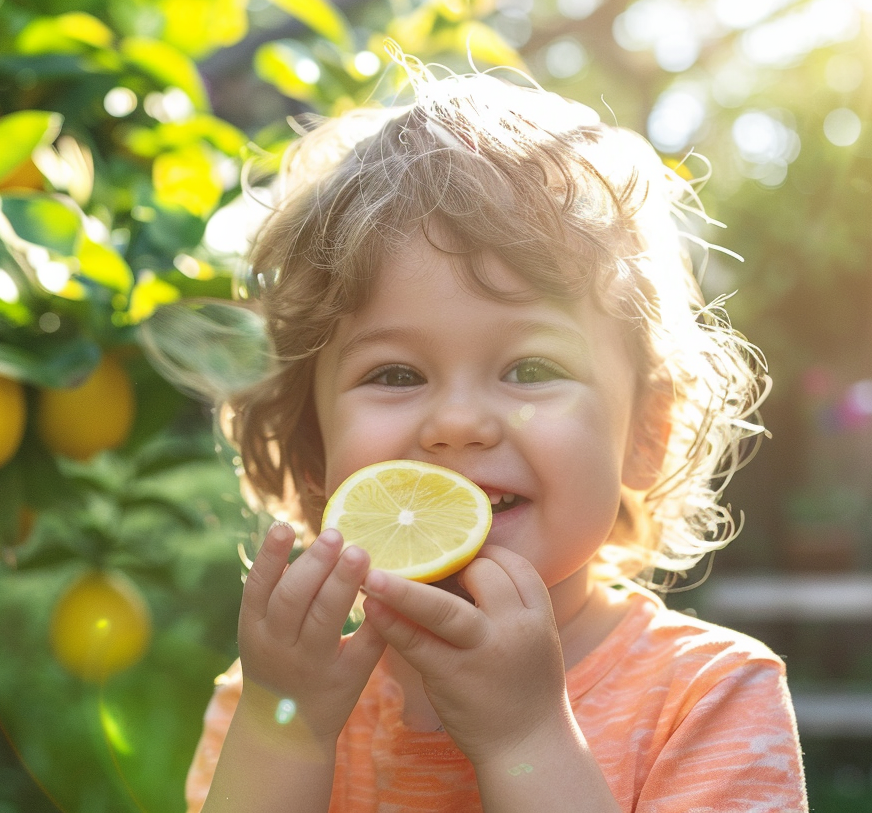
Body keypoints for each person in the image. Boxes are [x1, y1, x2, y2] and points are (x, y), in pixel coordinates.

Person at [185, 62, 807, 812]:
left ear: (646, 432)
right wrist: (288, 736)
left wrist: (525, 739)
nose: (458, 423)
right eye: (395, 375)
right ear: (315, 452)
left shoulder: (707, 699)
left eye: (531, 367)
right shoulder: (273, 702)